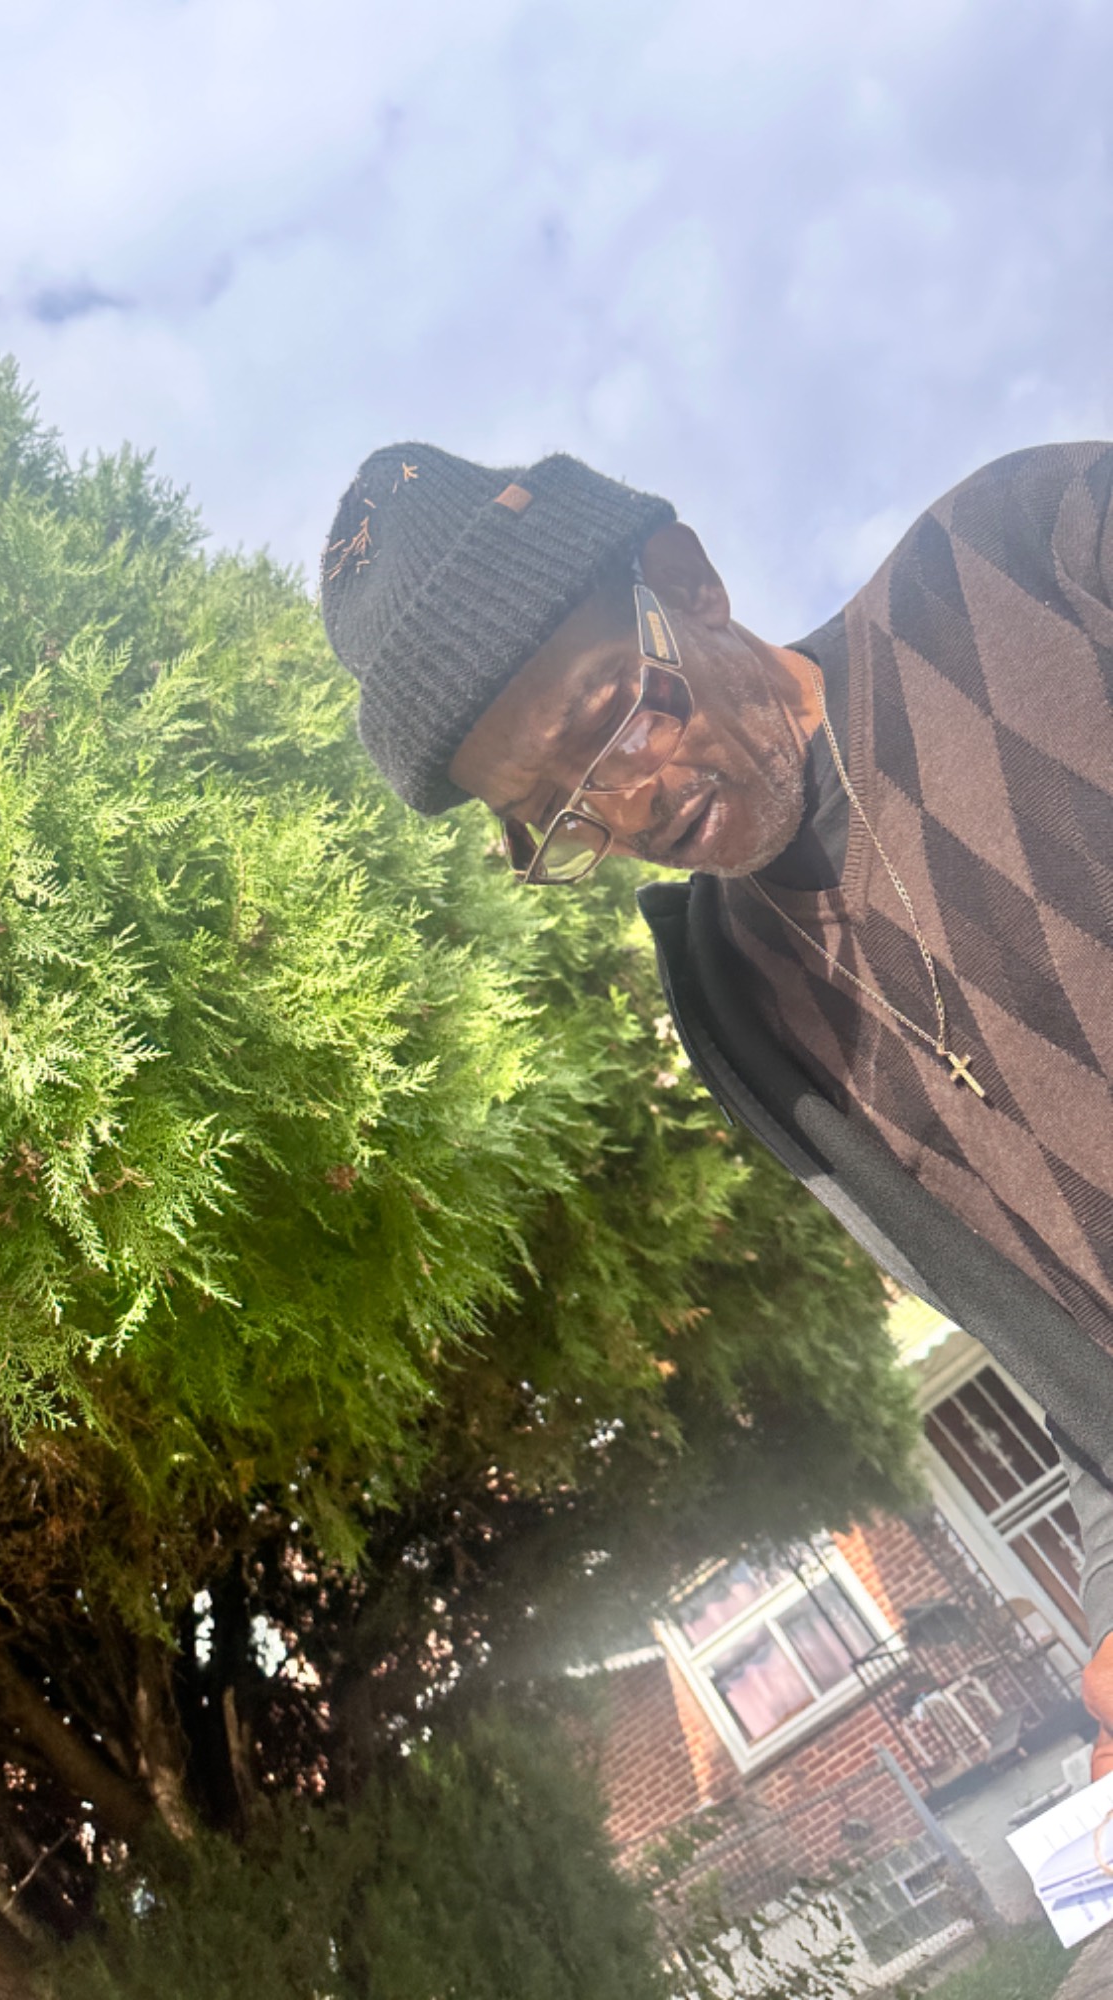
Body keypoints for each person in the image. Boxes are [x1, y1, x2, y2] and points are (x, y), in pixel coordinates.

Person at [319, 438, 1113, 1775]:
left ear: (688, 580)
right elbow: (1069, 1373)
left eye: (611, 718)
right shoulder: (743, 1008)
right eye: (553, 813)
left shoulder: (1031, 557)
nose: (626, 803)